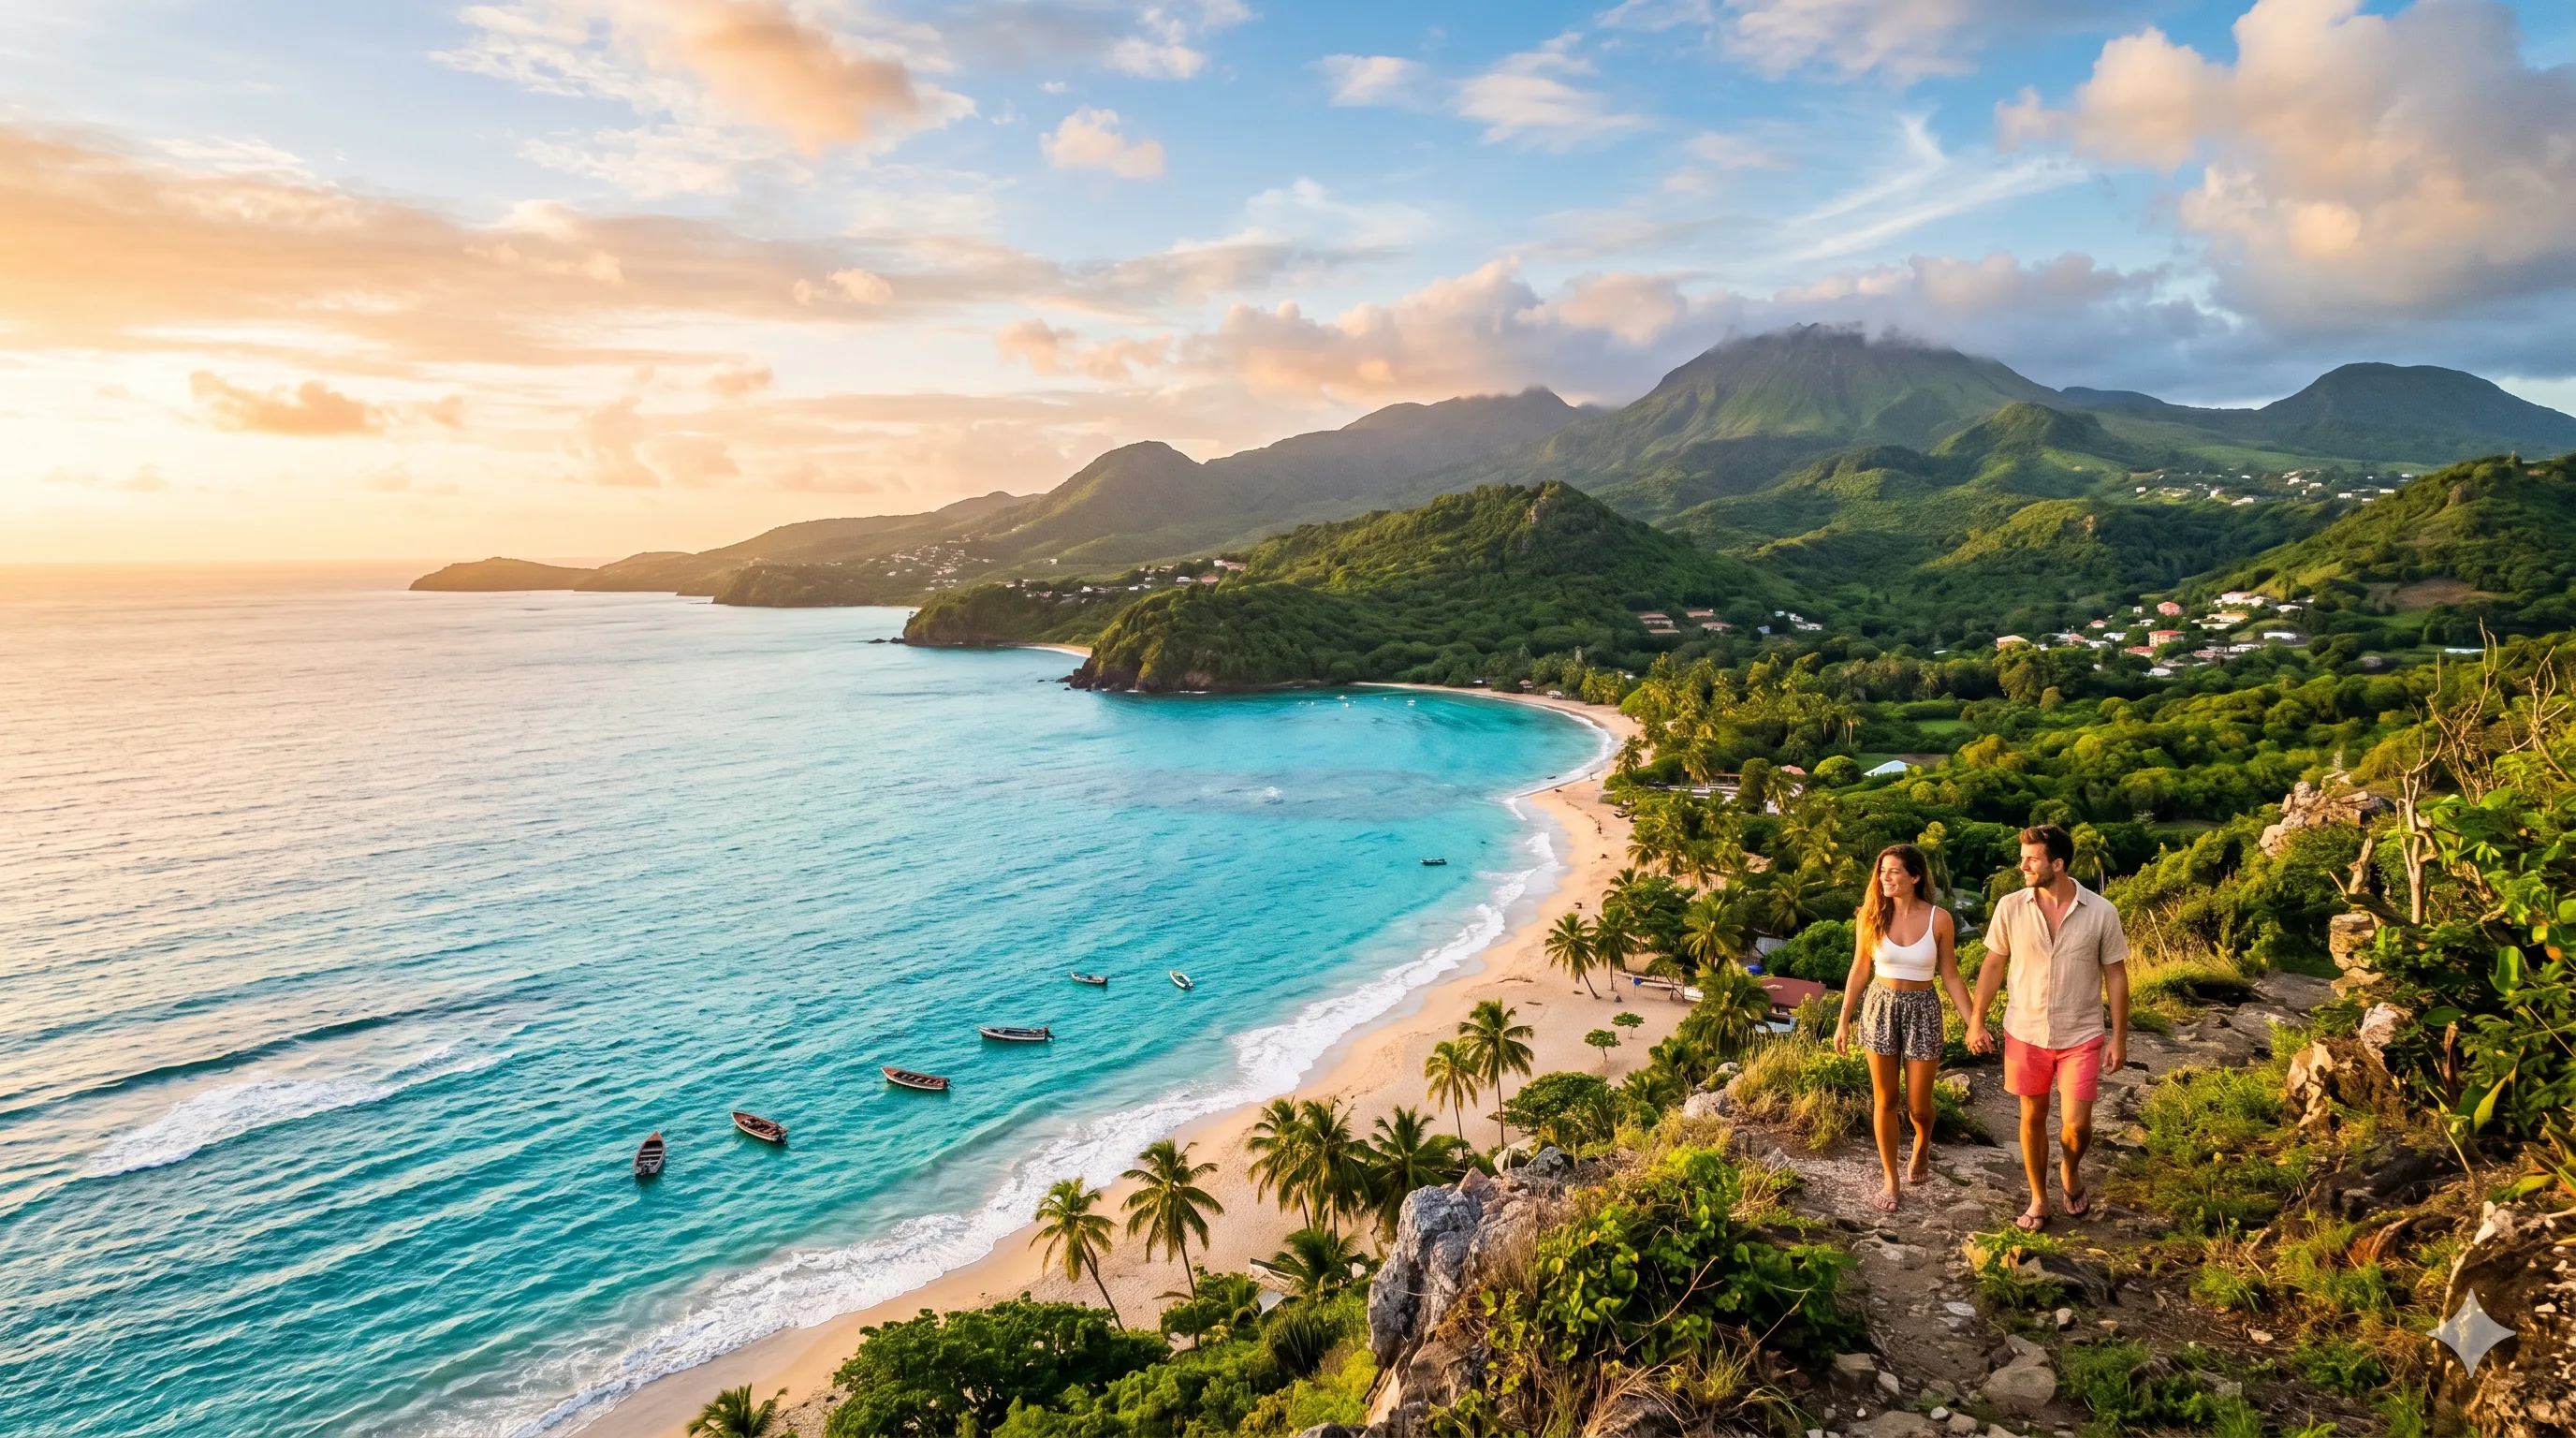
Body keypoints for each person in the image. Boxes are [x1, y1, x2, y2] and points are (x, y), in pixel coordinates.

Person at [1966, 823, 2130, 1232]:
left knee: (2076, 1126)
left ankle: (2070, 1170)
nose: (2022, 865)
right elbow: (1992, 965)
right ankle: (2038, 1198)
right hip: (2025, 1030)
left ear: (2056, 864)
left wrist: (2119, 1037)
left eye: (2031, 859)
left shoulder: (2102, 912)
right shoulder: (2010, 906)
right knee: (2032, 1114)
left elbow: (2116, 975)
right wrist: (1976, 1020)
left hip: (2082, 1033)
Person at [1833, 844, 1975, 1213]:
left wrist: (1973, 1022)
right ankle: (1890, 1179)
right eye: (1882, 872)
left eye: (1894, 871)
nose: (1885, 878)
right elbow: (1859, 969)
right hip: (1880, 1007)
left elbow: (1951, 975)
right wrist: (1843, 1019)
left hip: (1923, 1010)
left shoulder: (1939, 919)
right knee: (1885, 1100)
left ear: (1915, 876)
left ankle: (1923, 1141)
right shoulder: (1869, 916)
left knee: (1918, 1106)